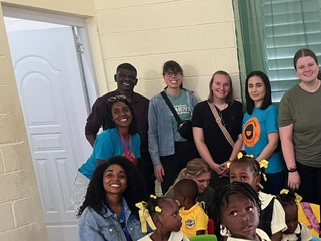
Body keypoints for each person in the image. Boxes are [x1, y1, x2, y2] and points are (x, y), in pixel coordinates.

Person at [279, 48, 321, 240]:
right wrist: (292, 170)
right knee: (307, 213)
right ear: (296, 71)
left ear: (317, 66)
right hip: (303, 166)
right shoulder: (289, 98)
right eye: (301, 67)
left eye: (310, 64)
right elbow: (286, 138)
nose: (307, 69)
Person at [85, 63, 154, 195]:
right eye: (122, 75)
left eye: (131, 77)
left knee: (141, 199)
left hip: (141, 162)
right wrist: (103, 152)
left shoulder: (146, 104)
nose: (127, 79)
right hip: (110, 166)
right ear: (115, 78)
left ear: (136, 81)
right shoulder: (103, 102)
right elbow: (90, 130)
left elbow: (153, 133)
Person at [72, 96, 141, 211]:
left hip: (114, 181)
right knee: (95, 216)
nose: (122, 114)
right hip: (91, 181)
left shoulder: (135, 137)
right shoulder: (106, 137)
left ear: (132, 114)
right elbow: (102, 172)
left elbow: (133, 169)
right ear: (112, 118)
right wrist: (121, 162)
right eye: (116, 112)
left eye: (125, 110)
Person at [148, 60, 199, 193]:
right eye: (169, 74)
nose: (173, 77)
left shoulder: (190, 97)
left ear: (182, 76)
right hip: (168, 152)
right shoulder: (156, 101)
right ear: (164, 76)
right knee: (171, 190)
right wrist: (156, 162)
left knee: (192, 188)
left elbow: (198, 126)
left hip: (189, 148)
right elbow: (152, 133)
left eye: (177, 73)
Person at [193, 70, 244, 189]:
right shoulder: (200, 108)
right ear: (211, 85)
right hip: (209, 168)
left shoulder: (238, 107)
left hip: (234, 165)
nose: (222, 88)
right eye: (218, 83)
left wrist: (230, 162)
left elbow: (241, 137)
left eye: (226, 85)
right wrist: (212, 165)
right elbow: (199, 140)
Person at [228, 152, 287, 241]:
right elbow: (226, 236)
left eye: (243, 178)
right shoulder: (228, 204)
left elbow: (277, 235)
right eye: (233, 178)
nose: (237, 182)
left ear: (257, 180)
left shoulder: (271, 203)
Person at [242, 71, 285, 194]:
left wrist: (254, 165)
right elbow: (246, 142)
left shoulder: (271, 111)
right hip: (252, 172)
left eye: (259, 85)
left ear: (266, 88)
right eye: (250, 86)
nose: (254, 90)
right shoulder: (247, 114)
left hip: (270, 171)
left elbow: (273, 143)